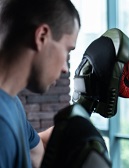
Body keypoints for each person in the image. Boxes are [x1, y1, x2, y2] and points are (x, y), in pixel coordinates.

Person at [0, 0, 80, 167]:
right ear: (41, 36)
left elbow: (38, 152)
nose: (65, 68)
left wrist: (89, 101)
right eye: (67, 50)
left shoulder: (11, 103)